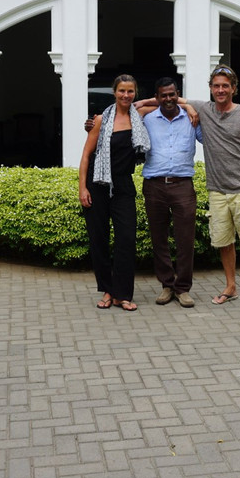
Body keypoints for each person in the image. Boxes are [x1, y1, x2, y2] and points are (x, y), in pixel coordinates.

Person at [192, 65, 240, 310]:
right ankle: (230, 286)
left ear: (233, 88)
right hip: (217, 190)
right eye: (216, 86)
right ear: (211, 89)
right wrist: (137, 105)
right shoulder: (205, 109)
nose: (220, 90)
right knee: (224, 241)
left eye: (225, 86)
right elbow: (171, 99)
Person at [79, 74, 150, 311]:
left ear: (135, 93)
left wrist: (189, 107)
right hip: (97, 184)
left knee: (126, 240)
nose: (126, 95)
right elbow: (86, 156)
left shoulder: (138, 117)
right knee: (99, 240)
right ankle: (108, 291)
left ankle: (122, 294)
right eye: (122, 91)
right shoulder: (101, 119)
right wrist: (82, 188)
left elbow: (164, 100)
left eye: (130, 91)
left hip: (123, 185)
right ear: (114, 92)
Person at [140, 78, 203, 308]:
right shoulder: (147, 119)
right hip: (154, 185)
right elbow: (131, 105)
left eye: (172, 95)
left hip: (183, 185)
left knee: (185, 239)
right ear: (157, 97)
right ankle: (167, 285)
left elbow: (208, 137)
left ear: (178, 94)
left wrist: (189, 107)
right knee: (159, 239)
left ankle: (183, 288)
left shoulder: (191, 119)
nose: (168, 99)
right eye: (163, 95)